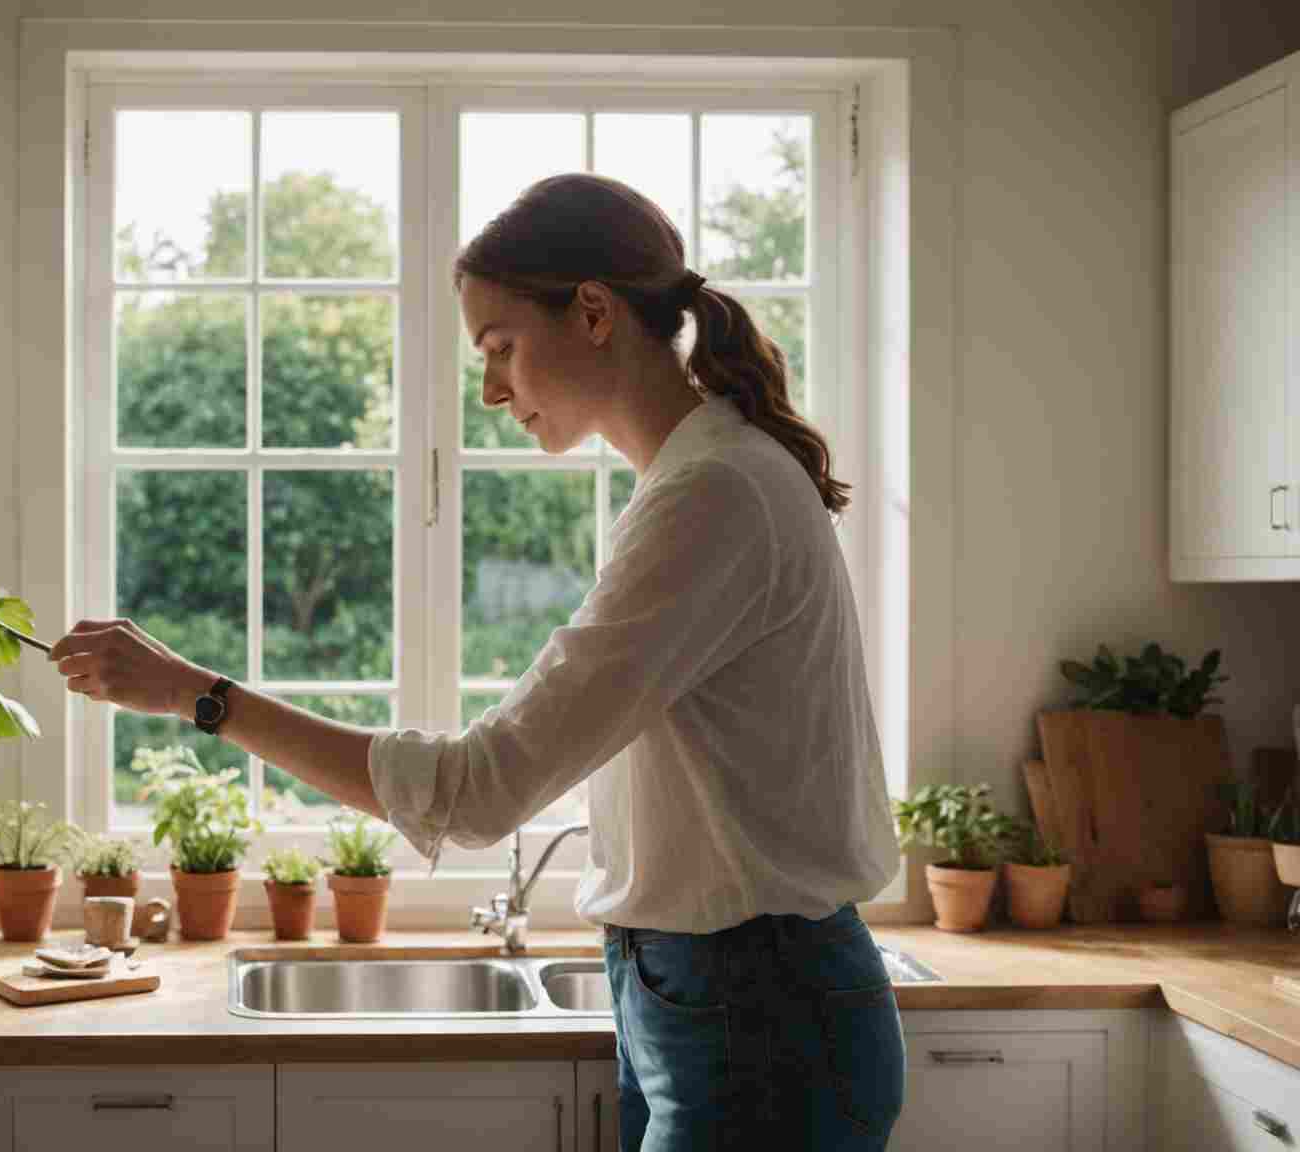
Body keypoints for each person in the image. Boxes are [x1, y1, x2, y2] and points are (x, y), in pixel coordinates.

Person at [49, 172, 905, 1151]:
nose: (493, 389)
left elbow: (477, 790)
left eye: (501, 349)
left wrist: (199, 697)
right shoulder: (704, 480)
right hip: (718, 999)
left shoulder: (712, 497)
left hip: (760, 1015)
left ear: (592, 312)